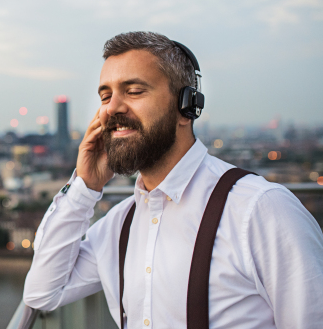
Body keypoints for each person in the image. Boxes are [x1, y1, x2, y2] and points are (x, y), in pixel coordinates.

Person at [23, 31, 323, 328]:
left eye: (134, 91)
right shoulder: (118, 225)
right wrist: (85, 188)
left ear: (185, 107)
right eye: (106, 95)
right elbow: (42, 293)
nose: (111, 108)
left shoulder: (261, 210)